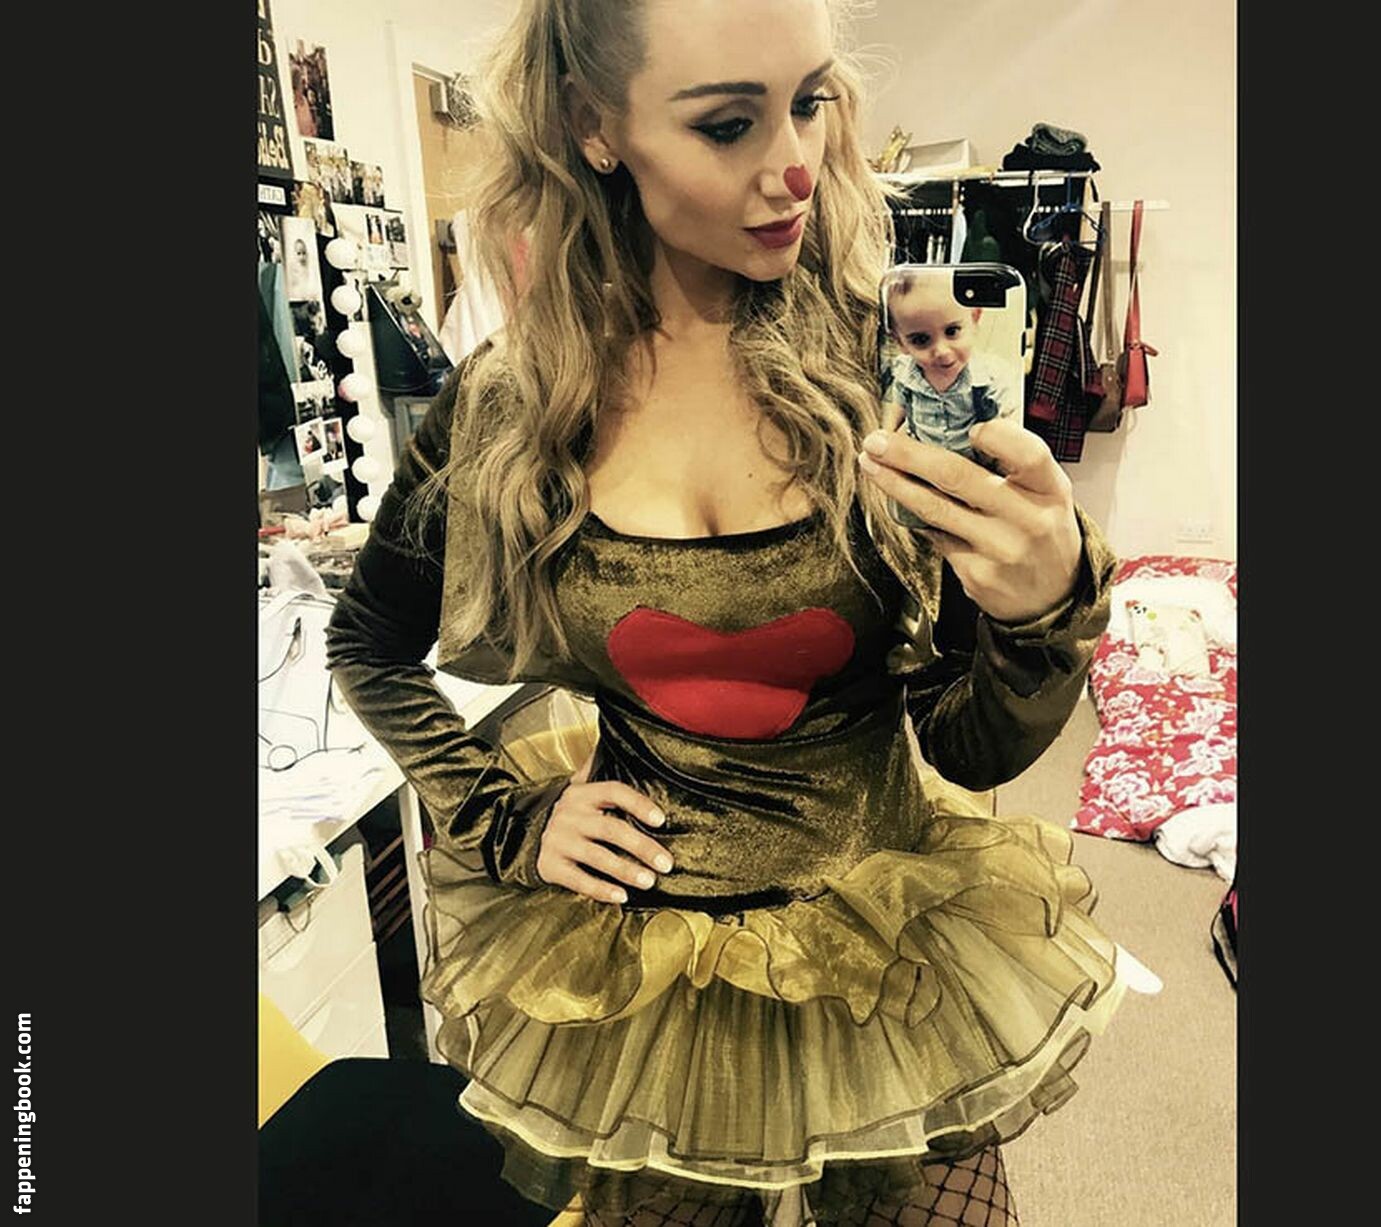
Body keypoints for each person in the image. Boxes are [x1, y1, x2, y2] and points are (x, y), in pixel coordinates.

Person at [326, 3, 1141, 1224]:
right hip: (638, 978)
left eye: (809, 102)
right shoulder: (512, 403)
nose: (794, 167)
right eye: (726, 124)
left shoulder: (887, 368)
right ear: (595, 128)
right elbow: (368, 643)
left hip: (885, 950)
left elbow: (968, 747)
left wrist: (1036, 617)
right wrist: (501, 817)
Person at [882, 267, 1008, 528]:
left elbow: (998, 422)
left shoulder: (983, 377)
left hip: (970, 467)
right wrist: (886, 439)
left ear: (974, 317)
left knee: (969, 521)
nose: (941, 351)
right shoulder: (906, 373)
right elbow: (897, 404)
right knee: (917, 516)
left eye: (952, 331)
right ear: (901, 342)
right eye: (921, 340)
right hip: (920, 464)